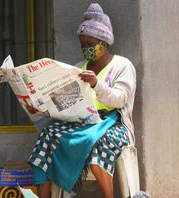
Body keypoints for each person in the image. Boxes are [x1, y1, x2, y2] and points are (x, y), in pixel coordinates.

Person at [28, 3, 136, 198]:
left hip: (114, 124)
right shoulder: (79, 67)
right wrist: (43, 104)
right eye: (83, 45)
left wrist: (96, 84)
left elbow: (120, 100)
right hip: (83, 123)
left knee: (96, 143)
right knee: (47, 135)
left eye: (91, 43)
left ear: (104, 41)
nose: (86, 48)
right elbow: (67, 102)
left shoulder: (122, 65)